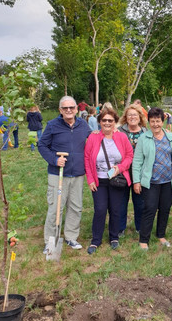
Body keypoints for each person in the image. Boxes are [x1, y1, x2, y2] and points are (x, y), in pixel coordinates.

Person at [38, 96, 91, 254]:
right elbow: (42, 145)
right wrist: (54, 159)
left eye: (71, 107)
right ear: (60, 110)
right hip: (58, 174)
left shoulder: (83, 124)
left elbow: (93, 138)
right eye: (65, 108)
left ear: (77, 109)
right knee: (56, 208)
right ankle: (50, 241)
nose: (69, 110)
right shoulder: (53, 125)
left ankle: (71, 237)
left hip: (78, 174)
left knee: (76, 207)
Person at [132, 107, 172, 250]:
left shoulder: (171, 137)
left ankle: (161, 235)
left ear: (163, 121)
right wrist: (136, 181)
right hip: (151, 182)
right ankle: (143, 239)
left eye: (158, 121)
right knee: (149, 208)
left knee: (165, 208)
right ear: (148, 122)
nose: (155, 124)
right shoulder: (144, 138)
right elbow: (137, 161)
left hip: (168, 181)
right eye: (152, 121)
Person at [84, 108, 133, 254]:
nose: (107, 123)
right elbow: (86, 158)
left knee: (115, 209)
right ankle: (96, 240)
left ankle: (114, 237)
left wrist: (120, 167)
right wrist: (90, 179)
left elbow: (129, 155)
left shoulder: (122, 137)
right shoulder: (93, 138)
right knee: (100, 209)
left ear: (114, 122)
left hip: (116, 179)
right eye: (104, 120)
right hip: (99, 180)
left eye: (110, 120)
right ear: (99, 122)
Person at [118, 104, 147, 236]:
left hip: (140, 172)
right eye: (129, 115)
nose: (132, 117)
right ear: (126, 117)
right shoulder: (119, 131)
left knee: (140, 201)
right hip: (123, 172)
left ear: (140, 117)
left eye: (135, 115)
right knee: (121, 201)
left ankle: (140, 227)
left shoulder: (146, 132)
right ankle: (120, 228)